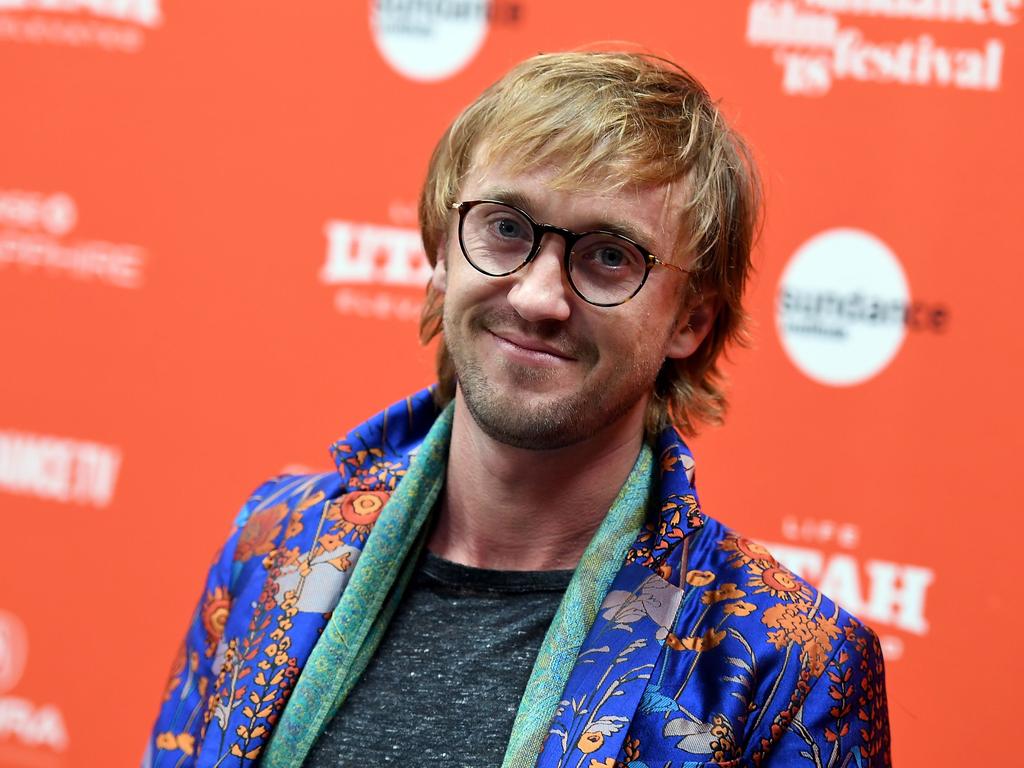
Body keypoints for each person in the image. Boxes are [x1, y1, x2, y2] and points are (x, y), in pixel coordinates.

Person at [146, 50, 891, 768]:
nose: (538, 297)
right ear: (443, 253)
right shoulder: (275, 540)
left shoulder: (783, 666)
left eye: (609, 256)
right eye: (505, 228)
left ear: (689, 322)